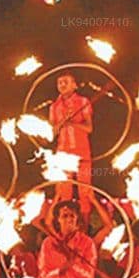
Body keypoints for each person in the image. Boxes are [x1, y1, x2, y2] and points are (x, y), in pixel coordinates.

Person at [48, 72, 94, 209]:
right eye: (59, 82)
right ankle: (64, 228)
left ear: (74, 85)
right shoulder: (54, 107)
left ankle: (84, 227)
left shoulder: (83, 102)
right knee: (63, 191)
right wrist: (62, 122)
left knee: (84, 191)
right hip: (63, 152)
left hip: (82, 151)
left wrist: (73, 124)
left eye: (65, 82)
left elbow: (89, 128)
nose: (62, 85)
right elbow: (51, 133)